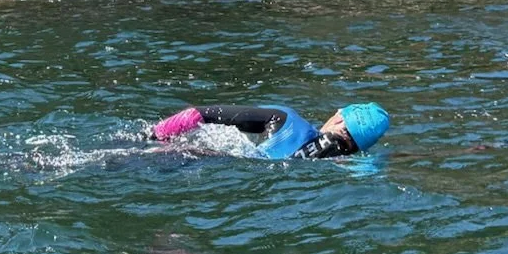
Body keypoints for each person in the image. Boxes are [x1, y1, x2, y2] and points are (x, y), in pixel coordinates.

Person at [150, 100, 389, 159]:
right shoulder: (343, 162)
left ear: (339, 115)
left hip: (197, 158)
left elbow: (197, 114)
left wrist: (153, 136)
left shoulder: (286, 120)